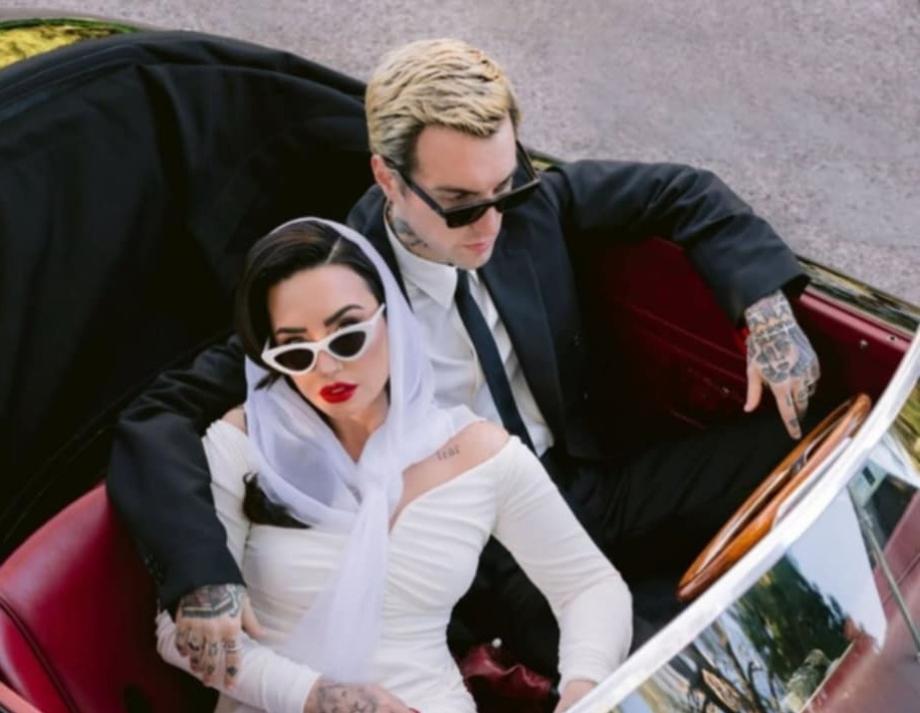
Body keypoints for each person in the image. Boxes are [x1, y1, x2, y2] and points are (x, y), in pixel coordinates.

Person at [108, 38, 820, 685]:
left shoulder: (526, 206)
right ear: (388, 179)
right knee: (652, 669)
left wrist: (765, 313)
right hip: (489, 553)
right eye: (459, 204)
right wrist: (203, 575)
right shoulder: (335, 296)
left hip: (588, 479)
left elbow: (682, 192)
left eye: (503, 187)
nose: (492, 222)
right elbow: (160, 413)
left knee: (809, 441)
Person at [154, 217, 631, 713]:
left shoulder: (481, 455)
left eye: (347, 336)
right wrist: (326, 698)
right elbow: (177, 633)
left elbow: (588, 585)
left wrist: (584, 690)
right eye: (296, 352)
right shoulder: (244, 444)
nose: (327, 367)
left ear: (393, 317)